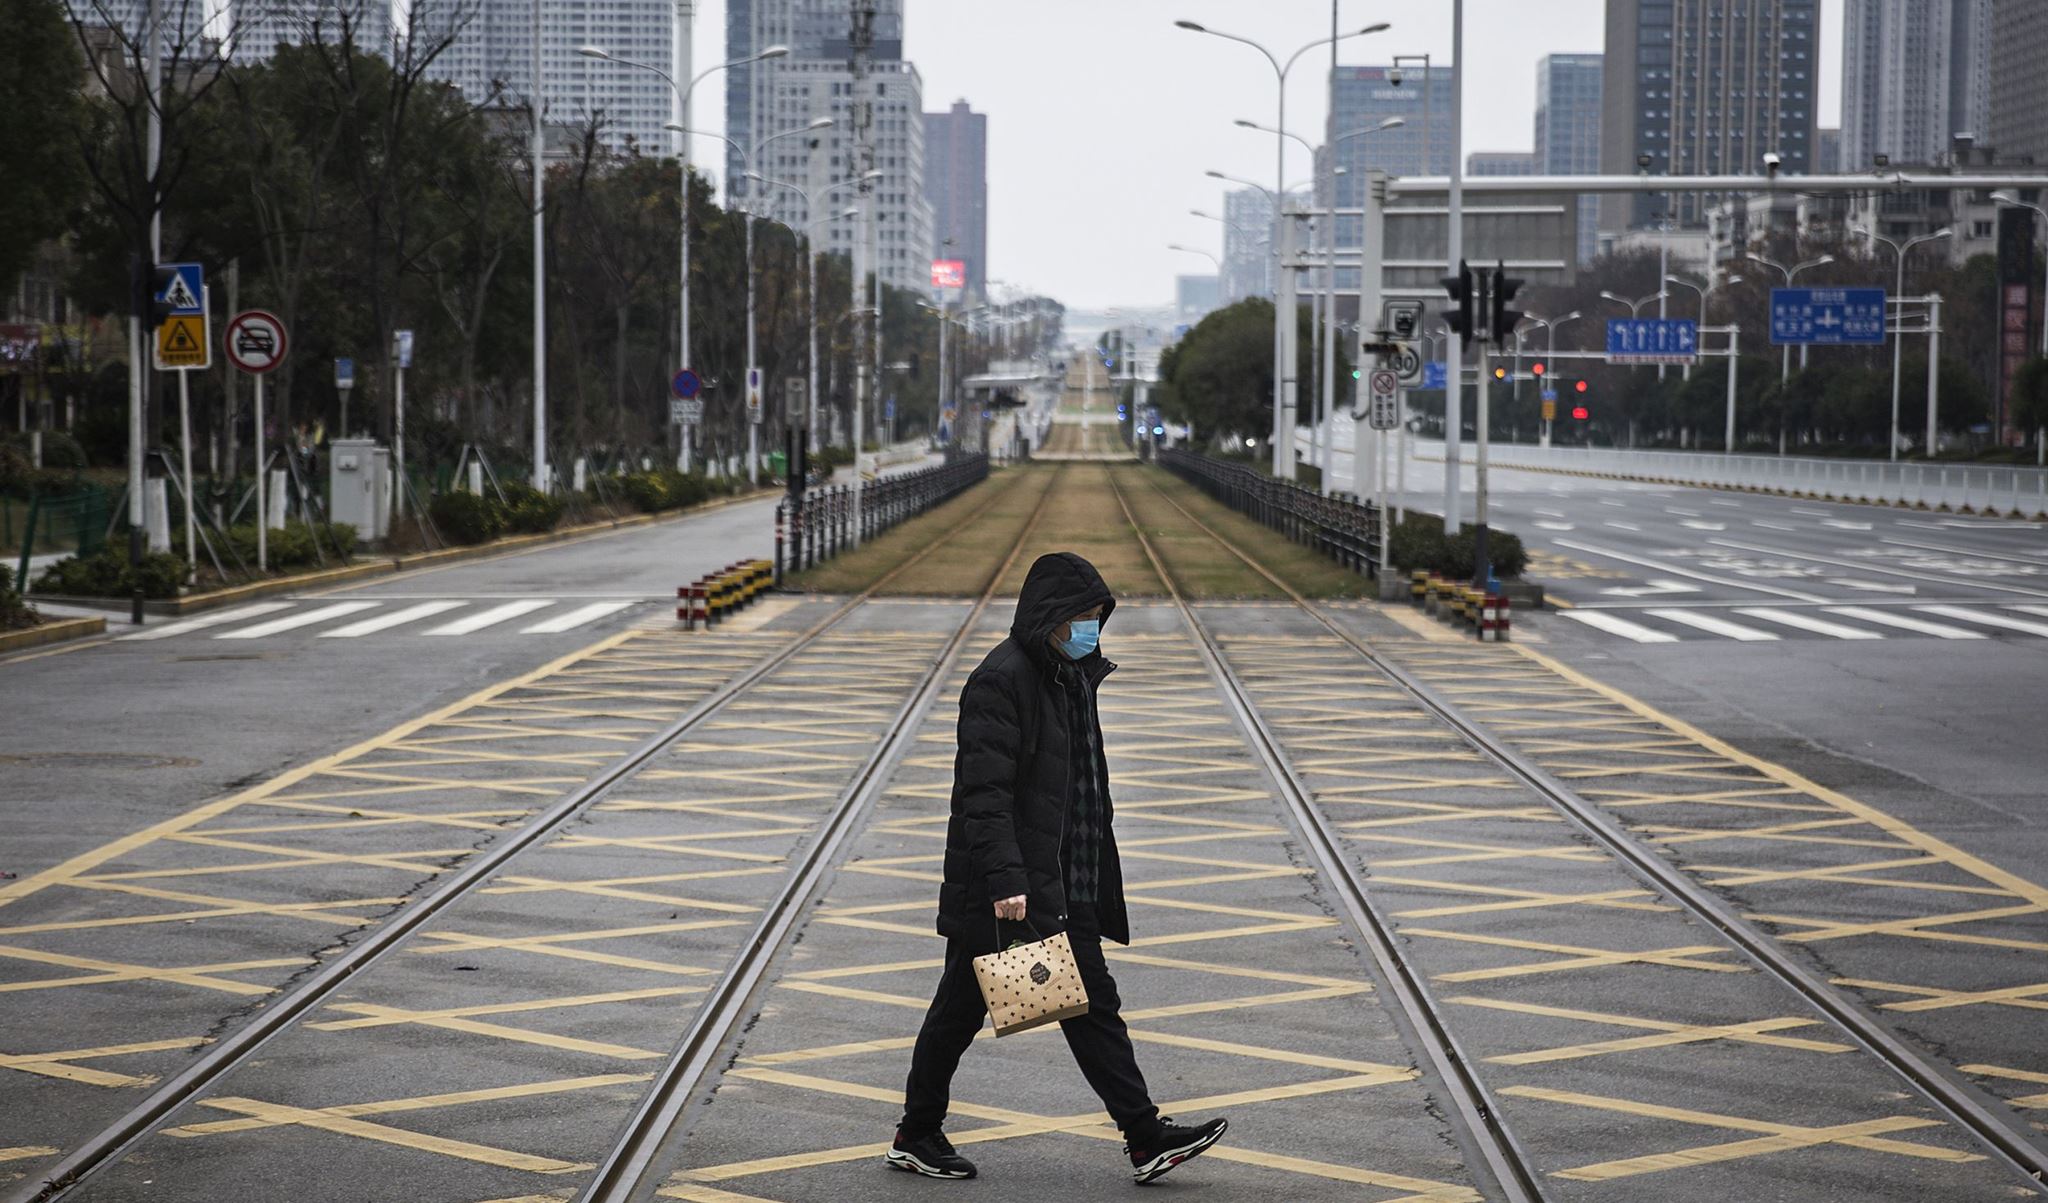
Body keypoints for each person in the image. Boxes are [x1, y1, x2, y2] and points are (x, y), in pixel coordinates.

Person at [887, 552, 1228, 1184]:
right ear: (1050, 617)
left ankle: (921, 1131)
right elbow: (981, 795)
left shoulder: (1069, 675)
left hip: (1062, 878)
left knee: (1019, 1006)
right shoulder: (1002, 680)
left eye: (1098, 618)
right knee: (1044, 1006)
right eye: (1082, 618)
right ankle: (1140, 1135)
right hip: (1014, 886)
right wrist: (1006, 880)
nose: (1091, 630)